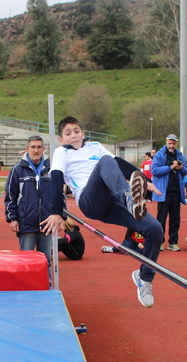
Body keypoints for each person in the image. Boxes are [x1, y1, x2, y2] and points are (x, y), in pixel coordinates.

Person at [41, 116, 163, 308]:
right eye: (68, 133)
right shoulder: (61, 153)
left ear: (83, 133)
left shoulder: (95, 146)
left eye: (76, 131)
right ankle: (129, 197)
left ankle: (144, 277)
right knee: (105, 161)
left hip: (112, 200)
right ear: (61, 139)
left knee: (154, 229)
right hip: (90, 200)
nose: (73, 135)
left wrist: (144, 181)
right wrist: (56, 210)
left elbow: (120, 165)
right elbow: (56, 178)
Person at [5, 136, 55, 263]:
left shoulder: (51, 169)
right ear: (27, 149)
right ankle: (26, 284)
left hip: (47, 224)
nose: (36, 150)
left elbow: (59, 194)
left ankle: (47, 283)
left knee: (46, 260)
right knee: (26, 261)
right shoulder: (18, 169)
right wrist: (12, 219)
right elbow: (11, 196)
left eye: (39, 147)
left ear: (43, 149)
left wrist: (61, 216)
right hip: (26, 222)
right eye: (33, 147)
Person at [151, 134, 187, 252]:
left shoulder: (179, 155)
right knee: (161, 218)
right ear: (166, 143)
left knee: (175, 218)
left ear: (176, 144)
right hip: (163, 192)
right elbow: (155, 170)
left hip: (176, 191)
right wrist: (171, 167)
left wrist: (180, 168)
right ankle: (160, 242)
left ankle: (173, 242)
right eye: (170, 143)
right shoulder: (159, 155)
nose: (172, 146)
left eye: (174, 143)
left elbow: (186, 170)